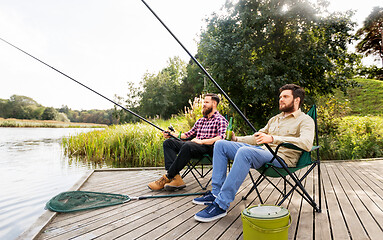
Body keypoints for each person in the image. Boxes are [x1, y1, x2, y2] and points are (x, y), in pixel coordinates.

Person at [193, 84, 315, 222]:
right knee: (221, 144)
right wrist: (236, 139)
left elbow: (306, 143)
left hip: (281, 158)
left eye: (285, 97)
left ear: (297, 100)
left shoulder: (305, 120)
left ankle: (221, 204)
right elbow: (257, 138)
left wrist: (274, 138)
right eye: (280, 97)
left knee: (245, 152)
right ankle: (215, 194)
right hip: (262, 151)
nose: (281, 99)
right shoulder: (275, 119)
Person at [148, 93, 228, 191]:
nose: (203, 104)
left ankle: (168, 177)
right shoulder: (201, 121)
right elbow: (187, 135)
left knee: (188, 145)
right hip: (193, 146)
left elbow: (221, 138)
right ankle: (176, 178)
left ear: (214, 104)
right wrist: (172, 134)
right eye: (204, 102)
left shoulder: (220, 120)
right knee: (169, 142)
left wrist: (201, 142)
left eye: (206, 102)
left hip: (208, 148)